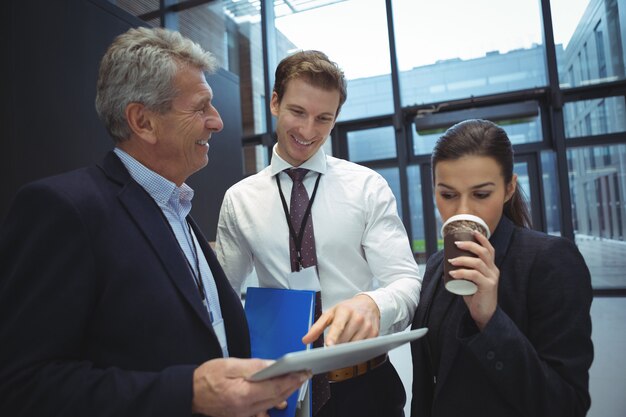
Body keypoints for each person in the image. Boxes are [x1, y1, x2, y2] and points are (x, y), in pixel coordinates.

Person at [0, 27, 308, 417]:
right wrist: (188, 392)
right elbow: (21, 385)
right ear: (142, 121)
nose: (217, 122)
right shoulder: (63, 209)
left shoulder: (178, 208)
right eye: (201, 107)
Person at [216, 50, 422, 417]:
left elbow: (407, 282)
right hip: (278, 389)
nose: (309, 131)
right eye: (298, 112)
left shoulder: (367, 187)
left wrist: (374, 304)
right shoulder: (239, 199)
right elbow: (223, 301)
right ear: (275, 103)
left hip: (367, 390)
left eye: (323, 118)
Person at [410, 119, 594, 417]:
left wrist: (490, 319)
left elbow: (567, 405)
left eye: (481, 195)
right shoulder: (435, 267)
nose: (462, 211)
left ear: (509, 189)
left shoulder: (550, 261)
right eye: (447, 194)